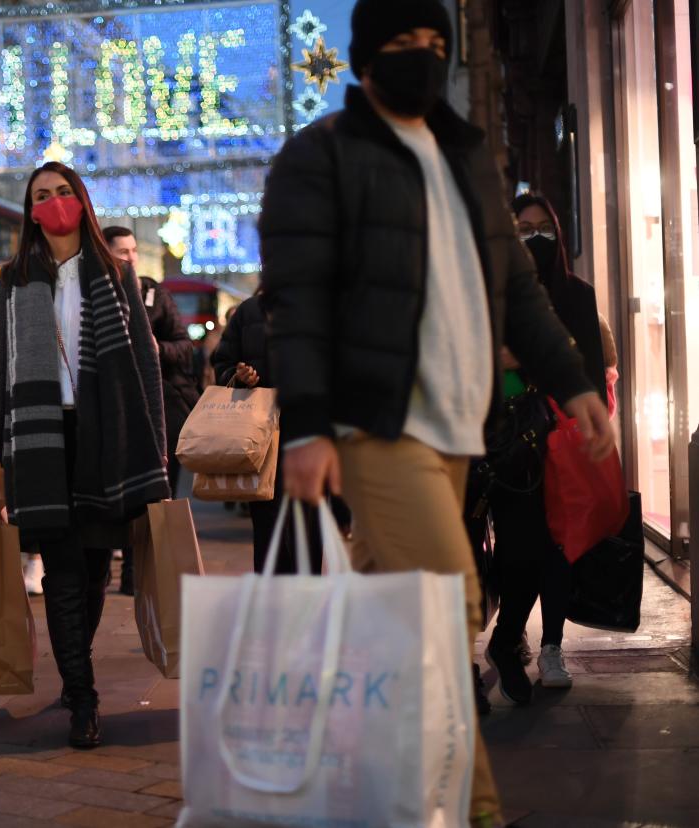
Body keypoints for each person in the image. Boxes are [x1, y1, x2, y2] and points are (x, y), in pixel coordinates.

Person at [259, 3, 615, 826]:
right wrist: (309, 425)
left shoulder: (463, 154)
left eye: (434, 44)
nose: (422, 56)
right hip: (378, 424)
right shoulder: (322, 157)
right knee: (450, 605)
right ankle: (471, 810)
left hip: (462, 426)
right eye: (400, 45)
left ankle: (379, 788)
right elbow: (299, 302)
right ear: (361, 60)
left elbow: (519, 293)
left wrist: (574, 383)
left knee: (396, 625)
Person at [0, 162, 170, 749]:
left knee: (91, 573)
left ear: (80, 201)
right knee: (62, 573)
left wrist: (155, 451)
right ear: (30, 210)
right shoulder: (15, 278)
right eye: (42, 196)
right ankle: (82, 698)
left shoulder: (115, 273)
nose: (54, 202)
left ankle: (74, 673)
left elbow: (145, 363)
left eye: (63, 192)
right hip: (40, 439)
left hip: (103, 435)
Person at [475, 192, 612, 704]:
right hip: (498, 443)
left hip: (555, 444)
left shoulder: (576, 295)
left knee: (547, 550)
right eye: (522, 228)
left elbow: (589, 372)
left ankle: (531, 641)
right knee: (503, 555)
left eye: (542, 228)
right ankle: (498, 643)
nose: (533, 237)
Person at [102, 225, 197, 594]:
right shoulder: (101, 294)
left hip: (162, 400)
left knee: (161, 487)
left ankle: (150, 569)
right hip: (119, 402)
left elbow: (184, 346)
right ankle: (128, 571)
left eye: (133, 251)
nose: (130, 257)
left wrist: (157, 349)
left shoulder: (156, 295)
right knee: (126, 488)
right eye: (121, 252)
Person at [210, 290, 325, 576]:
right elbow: (222, 365)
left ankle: (305, 597)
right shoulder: (248, 313)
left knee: (307, 524)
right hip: (260, 437)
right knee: (267, 524)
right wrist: (240, 376)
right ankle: (271, 600)